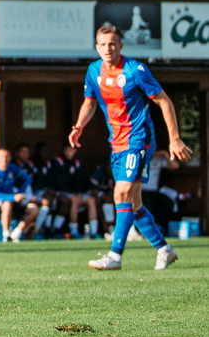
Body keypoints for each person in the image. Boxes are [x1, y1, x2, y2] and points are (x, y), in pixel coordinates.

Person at [71, 24, 193, 270]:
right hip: (117, 144)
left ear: (121, 46)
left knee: (121, 193)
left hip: (139, 140)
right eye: (103, 44)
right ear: (97, 47)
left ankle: (115, 256)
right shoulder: (94, 71)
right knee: (134, 204)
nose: (108, 48)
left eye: (113, 44)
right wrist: (78, 126)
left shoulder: (135, 70)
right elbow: (89, 103)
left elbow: (164, 101)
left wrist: (175, 138)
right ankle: (164, 249)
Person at [0, 148, 39, 242]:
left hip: (13, 200)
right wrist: (13, 197)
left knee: (34, 209)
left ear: (10, 158)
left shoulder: (12, 168)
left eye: (6, 156)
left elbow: (27, 179)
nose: (4, 159)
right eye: (2, 156)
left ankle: (17, 232)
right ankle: (6, 235)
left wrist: (20, 192)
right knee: (7, 204)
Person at [51, 144, 90, 239]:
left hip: (73, 193)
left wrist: (79, 193)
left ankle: (96, 231)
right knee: (73, 200)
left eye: (72, 150)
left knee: (91, 201)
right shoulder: (58, 161)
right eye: (68, 150)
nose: (70, 152)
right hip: (60, 192)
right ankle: (73, 230)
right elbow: (57, 181)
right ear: (63, 150)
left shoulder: (76, 162)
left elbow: (78, 180)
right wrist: (71, 194)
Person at [14, 142, 53, 237]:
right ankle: (21, 232)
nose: (26, 155)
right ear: (17, 153)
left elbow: (30, 183)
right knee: (37, 205)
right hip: (15, 197)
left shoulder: (29, 166)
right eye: (23, 152)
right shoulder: (13, 167)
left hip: (28, 196)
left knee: (45, 203)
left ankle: (35, 231)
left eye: (27, 152)